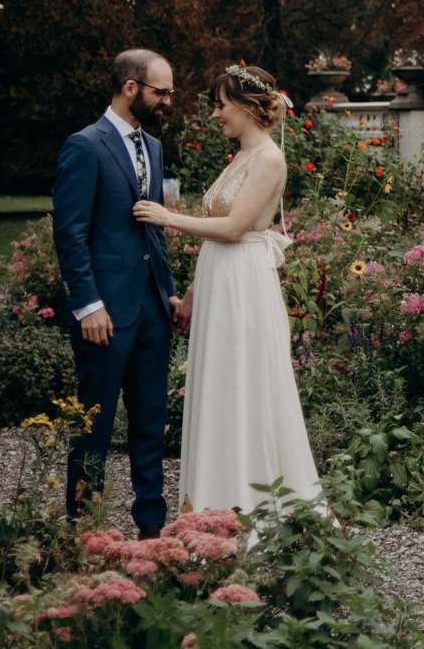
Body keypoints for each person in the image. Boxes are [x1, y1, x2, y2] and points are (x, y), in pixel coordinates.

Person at [133, 63, 320, 515]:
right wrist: (193, 293)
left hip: (245, 286)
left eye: (220, 105)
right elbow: (220, 235)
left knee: (243, 384)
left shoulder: (270, 158)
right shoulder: (239, 156)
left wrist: (167, 217)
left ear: (247, 105)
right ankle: (211, 504)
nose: (215, 115)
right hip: (220, 279)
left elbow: (234, 228)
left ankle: (250, 505)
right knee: (218, 385)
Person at [52, 49, 183, 538]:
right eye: (161, 92)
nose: (168, 101)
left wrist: (167, 293)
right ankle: (85, 536)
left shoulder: (152, 146)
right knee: (94, 429)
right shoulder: (84, 146)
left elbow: (154, 228)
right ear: (132, 88)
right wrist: (88, 304)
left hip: (150, 309)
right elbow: (70, 234)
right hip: (103, 314)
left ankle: (152, 532)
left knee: (151, 425)